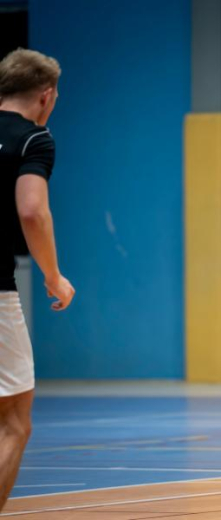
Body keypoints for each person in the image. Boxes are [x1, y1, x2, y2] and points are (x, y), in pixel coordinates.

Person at [0, 48, 75, 511]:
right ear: (46, 96)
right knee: (15, 423)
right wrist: (53, 275)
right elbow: (32, 210)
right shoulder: (34, 140)